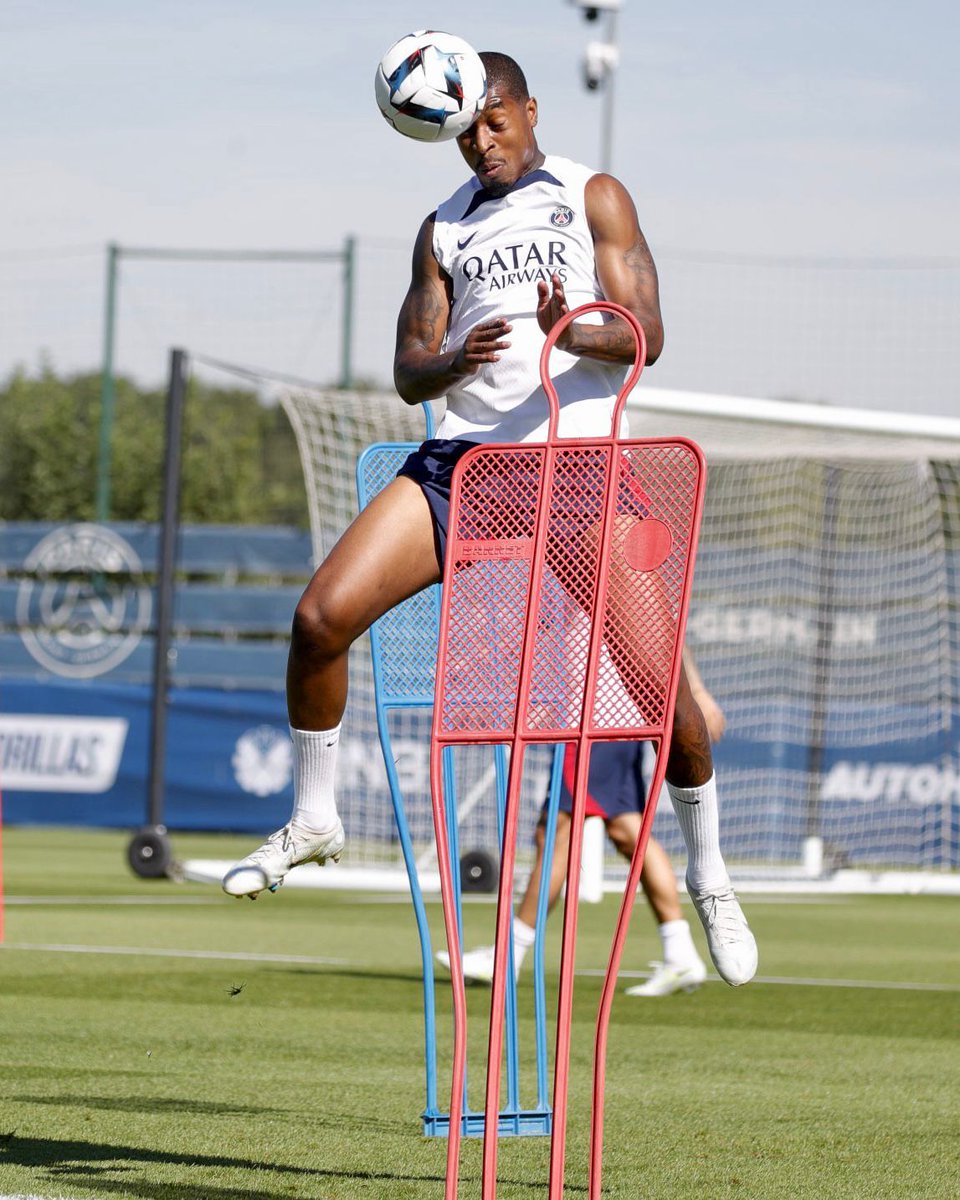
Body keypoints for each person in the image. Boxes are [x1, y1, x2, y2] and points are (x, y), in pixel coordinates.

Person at [223, 51, 757, 988]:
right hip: (464, 466)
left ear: (528, 109)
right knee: (319, 618)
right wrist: (454, 361)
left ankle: (710, 875)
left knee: (667, 703)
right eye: (467, 127)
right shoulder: (441, 228)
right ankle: (313, 817)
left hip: (579, 469)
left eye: (497, 119)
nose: (484, 140)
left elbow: (646, 337)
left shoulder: (594, 195)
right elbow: (406, 370)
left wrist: (569, 326)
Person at [436, 652, 727, 998]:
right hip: (612, 713)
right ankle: (680, 952)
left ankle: (508, 956)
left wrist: (695, 690)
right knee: (627, 832)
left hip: (597, 714)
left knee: (557, 831)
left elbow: (660, 628)